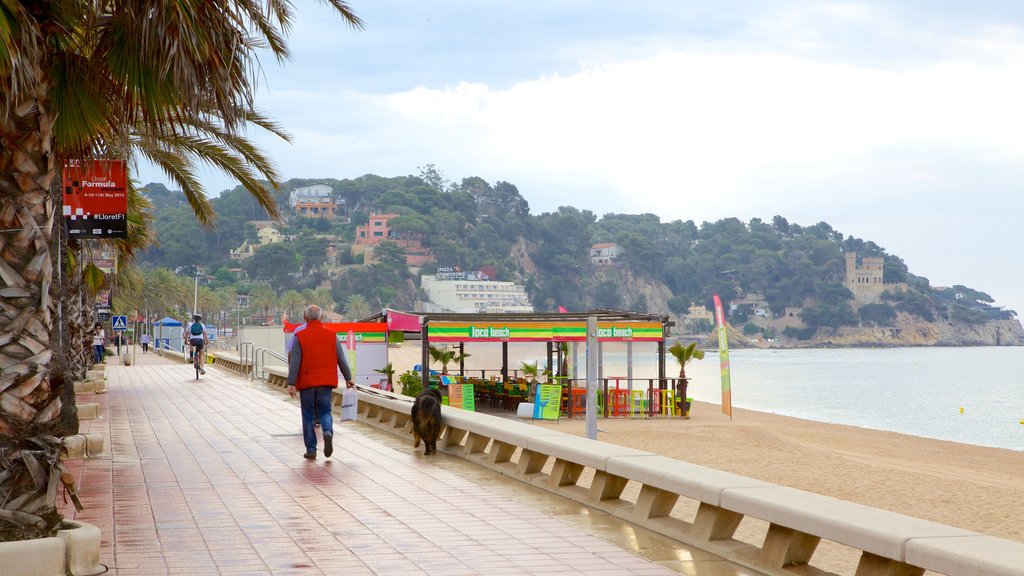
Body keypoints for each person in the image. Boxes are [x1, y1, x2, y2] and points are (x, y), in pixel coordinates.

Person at [287, 305, 354, 460]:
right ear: (321, 317)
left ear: (305, 318)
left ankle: (311, 449)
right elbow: (341, 358)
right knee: (325, 411)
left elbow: (295, 363)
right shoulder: (332, 335)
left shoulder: (300, 336)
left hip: (307, 382)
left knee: (308, 415)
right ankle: (327, 432)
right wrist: (348, 378)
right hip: (326, 381)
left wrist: (291, 383)